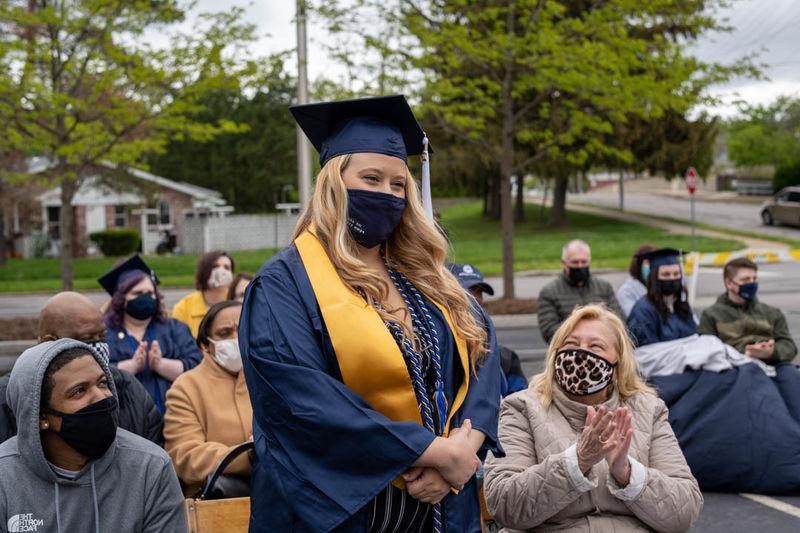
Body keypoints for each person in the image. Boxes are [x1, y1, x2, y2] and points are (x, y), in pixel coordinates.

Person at [240, 95, 503, 532]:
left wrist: (463, 448)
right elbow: (301, 401)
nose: (386, 193)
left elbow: (482, 353)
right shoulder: (286, 283)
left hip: (438, 507)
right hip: (344, 514)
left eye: (398, 185)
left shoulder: (425, 277)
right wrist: (436, 454)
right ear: (333, 183)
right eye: (371, 178)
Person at [484, 305, 702, 532]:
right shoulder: (522, 407)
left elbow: (684, 512)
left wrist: (627, 474)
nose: (581, 354)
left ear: (618, 361)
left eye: (595, 346)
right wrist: (576, 461)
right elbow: (504, 504)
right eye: (571, 344)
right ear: (556, 352)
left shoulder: (649, 409)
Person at [0, 339, 186, 532]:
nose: (101, 397)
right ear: (40, 416)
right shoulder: (5, 476)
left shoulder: (151, 467)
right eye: (79, 391)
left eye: (103, 383)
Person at [0, 292, 163, 446]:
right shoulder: (7, 398)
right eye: (87, 339)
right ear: (48, 342)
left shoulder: (129, 388)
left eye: (102, 337)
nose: (99, 346)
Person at [164, 300, 253, 496]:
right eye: (224, 333)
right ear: (206, 344)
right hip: (218, 502)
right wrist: (249, 454)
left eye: (243, 329)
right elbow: (185, 455)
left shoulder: (271, 376)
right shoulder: (186, 387)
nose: (236, 338)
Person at [101, 255, 202, 414]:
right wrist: (129, 367)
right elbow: (95, 376)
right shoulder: (105, 334)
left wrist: (161, 365)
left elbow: (198, 367)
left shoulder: (175, 329)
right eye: (137, 292)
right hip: (126, 423)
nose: (145, 297)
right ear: (120, 298)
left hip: (176, 417)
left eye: (150, 292)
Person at [698, 257, 797, 365]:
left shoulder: (772, 312)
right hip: (735, 367)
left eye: (754, 279)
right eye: (745, 280)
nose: (752, 283)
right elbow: (706, 352)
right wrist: (747, 352)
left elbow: (789, 346)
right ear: (729, 283)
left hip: (774, 363)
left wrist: (772, 352)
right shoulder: (712, 314)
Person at [448, 263, 528, 395]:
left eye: (479, 293)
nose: (476, 299)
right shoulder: (445, 358)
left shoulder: (506, 359)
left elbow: (521, 404)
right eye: (468, 293)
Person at [537, 239, 624, 344]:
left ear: (590, 261)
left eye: (584, 262)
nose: (580, 266)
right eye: (575, 262)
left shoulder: (604, 287)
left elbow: (620, 322)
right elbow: (549, 333)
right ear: (564, 263)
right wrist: (575, 320)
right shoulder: (549, 292)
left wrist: (604, 315)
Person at [626, 249, 697, 347]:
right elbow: (645, 351)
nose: (672, 278)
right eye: (666, 274)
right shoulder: (643, 311)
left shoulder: (681, 305)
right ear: (655, 278)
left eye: (676, 274)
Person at [172, 251, 235, 337]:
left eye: (227, 267)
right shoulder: (183, 308)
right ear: (205, 271)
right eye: (216, 266)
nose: (221, 271)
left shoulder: (237, 302)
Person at [616, 244, 656, 316]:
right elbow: (635, 317)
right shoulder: (626, 291)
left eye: (655, 262)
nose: (652, 266)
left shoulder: (661, 286)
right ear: (639, 265)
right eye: (648, 262)